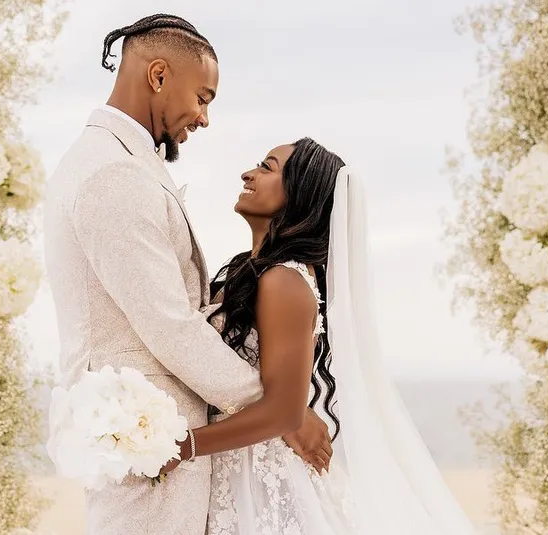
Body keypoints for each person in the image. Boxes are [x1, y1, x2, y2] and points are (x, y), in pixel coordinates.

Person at [42, 14, 332, 535]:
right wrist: (283, 412)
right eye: (202, 97)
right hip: (147, 448)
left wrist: (278, 411)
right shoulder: (114, 173)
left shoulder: (121, 163)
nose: (204, 118)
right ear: (158, 76)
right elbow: (169, 323)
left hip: (167, 452)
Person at [161, 139, 479, 534]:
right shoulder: (250, 271)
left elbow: (283, 413)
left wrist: (182, 447)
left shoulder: (285, 281)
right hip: (233, 467)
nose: (248, 174)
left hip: (258, 480)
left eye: (267, 167)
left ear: (300, 195)